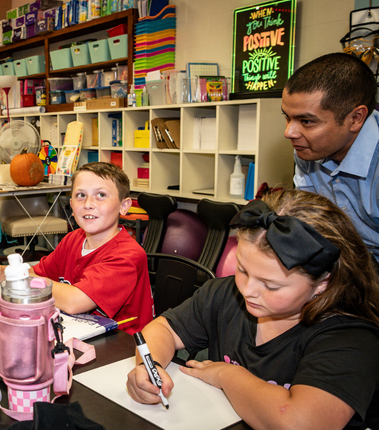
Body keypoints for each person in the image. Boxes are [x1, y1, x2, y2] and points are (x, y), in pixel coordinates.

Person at [125, 190, 379, 430]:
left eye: (271, 285)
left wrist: (228, 375)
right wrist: (151, 366)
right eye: (242, 270)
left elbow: (300, 423)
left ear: (323, 282)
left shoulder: (351, 338)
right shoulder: (225, 295)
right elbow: (164, 328)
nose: (248, 291)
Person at [0, 161, 154, 334]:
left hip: (121, 347)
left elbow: (73, 302)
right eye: (80, 195)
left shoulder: (127, 255)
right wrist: (4, 272)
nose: (88, 204)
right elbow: (38, 272)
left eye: (101, 195)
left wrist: (21, 277)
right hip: (79, 330)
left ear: (124, 206)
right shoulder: (73, 239)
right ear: (72, 206)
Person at [283, 52, 379, 268]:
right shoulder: (308, 148)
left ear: (355, 118)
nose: (289, 132)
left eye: (306, 121)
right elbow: (310, 225)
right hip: (343, 264)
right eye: (287, 118)